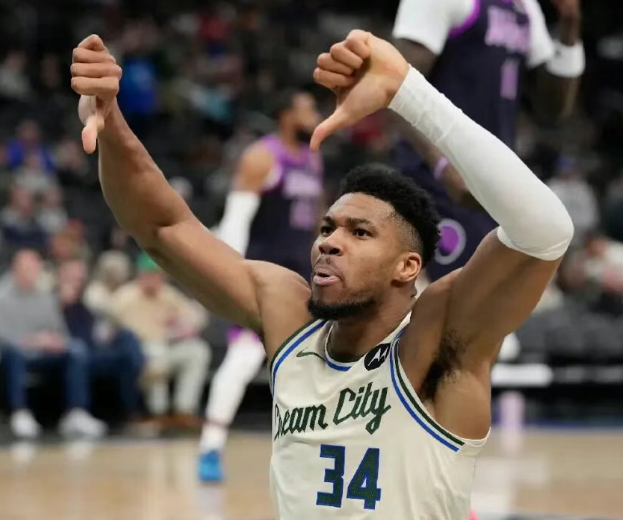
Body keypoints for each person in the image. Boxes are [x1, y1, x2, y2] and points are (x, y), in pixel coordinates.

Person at [71, 32, 573, 519]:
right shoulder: (288, 316)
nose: (329, 242)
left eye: (360, 233)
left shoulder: (437, 340)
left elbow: (545, 231)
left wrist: (407, 91)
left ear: (407, 266)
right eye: (328, 228)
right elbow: (163, 227)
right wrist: (112, 123)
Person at [392, 0, 583, 281]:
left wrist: (569, 24)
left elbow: (554, 108)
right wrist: (442, 164)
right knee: (437, 296)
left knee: (482, 301)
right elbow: (394, 86)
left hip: (493, 185)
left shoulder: (526, 6)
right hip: (434, 181)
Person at [198, 88, 323, 482]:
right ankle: (210, 447)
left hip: (303, 279)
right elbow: (235, 222)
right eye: (307, 110)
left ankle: (309, 452)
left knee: (311, 367)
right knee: (242, 361)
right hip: (264, 279)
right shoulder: (261, 157)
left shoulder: (313, 159)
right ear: (286, 115)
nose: (316, 117)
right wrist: (233, 275)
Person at [0, 249, 106, 439]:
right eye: (28, 269)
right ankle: (19, 412)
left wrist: (56, 341)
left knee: (76, 350)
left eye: (35, 269)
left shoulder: (46, 298)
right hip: (16, 353)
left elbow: (60, 331)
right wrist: (33, 341)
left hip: (45, 351)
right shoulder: (3, 298)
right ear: (15, 270)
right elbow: (4, 337)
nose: (33, 273)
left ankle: (76, 412)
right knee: (14, 353)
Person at [109, 253, 211, 430]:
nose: (153, 279)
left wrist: (184, 326)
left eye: (157, 274)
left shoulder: (167, 294)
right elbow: (112, 327)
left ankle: (184, 411)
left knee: (198, 350)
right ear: (140, 275)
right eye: (148, 274)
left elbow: (196, 316)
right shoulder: (125, 297)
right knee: (155, 352)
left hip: (166, 346)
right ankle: (158, 413)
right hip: (139, 354)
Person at [58, 258, 145, 426]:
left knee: (127, 340)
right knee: (78, 352)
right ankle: (77, 414)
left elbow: (95, 330)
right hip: (70, 351)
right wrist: (62, 303)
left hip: (93, 348)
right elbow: (53, 328)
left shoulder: (84, 302)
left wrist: (108, 334)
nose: (78, 281)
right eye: (74, 277)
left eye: (80, 278)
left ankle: (134, 414)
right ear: (62, 276)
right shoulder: (53, 299)